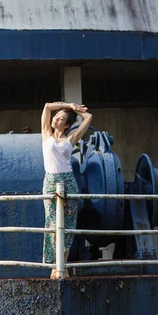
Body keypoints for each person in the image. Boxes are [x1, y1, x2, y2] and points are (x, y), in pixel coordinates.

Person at [41, 101, 92, 279]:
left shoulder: (71, 138)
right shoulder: (46, 134)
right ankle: (55, 266)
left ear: (67, 124)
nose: (55, 120)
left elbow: (89, 117)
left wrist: (75, 110)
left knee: (67, 226)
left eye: (61, 119)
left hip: (68, 181)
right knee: (53, 224)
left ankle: (63, 266)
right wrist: (68, 104)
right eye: (56, 117)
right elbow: (47, 107)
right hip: (50, 181)